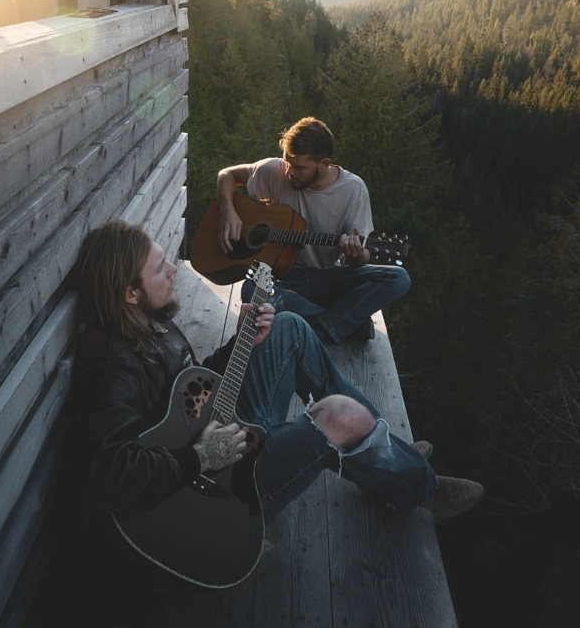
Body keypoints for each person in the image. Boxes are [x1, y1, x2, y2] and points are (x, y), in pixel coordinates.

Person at [71, 220, 484, 553]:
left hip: (221, 436)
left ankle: (389, 454)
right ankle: (419, 486)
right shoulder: (115, 367)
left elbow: (188, 391)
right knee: (340, 416)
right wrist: (197, 458)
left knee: (287, 326)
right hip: (218, 494)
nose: (174, 269)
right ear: (129, 293)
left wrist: (241, 345)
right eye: (160, 268)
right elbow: (112, 472)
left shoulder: (147, 319)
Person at [217, 116, 410, 343]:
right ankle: (340, 324)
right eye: (287, 162)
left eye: (298, 167)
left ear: (324, 164)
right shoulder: (275, 171)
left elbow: (360, 261)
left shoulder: (353, 190)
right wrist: (227, 211)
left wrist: (356, 254)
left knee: (398, 278)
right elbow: (227, 175)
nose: (289, 172)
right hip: (282, 278)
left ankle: (316, 325)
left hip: (327, 278)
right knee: (250, 290)